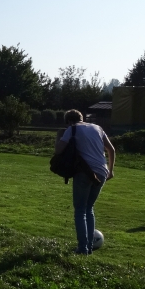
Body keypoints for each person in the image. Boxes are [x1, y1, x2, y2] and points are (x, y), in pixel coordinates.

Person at [54, 109, 116, 255]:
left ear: (69, 121)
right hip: (102, 171)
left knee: (80, 210)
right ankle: (89, 247)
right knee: (89, 208)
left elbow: (58, 151)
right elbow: (111, 150)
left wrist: (58, 136)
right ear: (82, 118)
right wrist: (111, 170)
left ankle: (83, 248)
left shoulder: (72, 129)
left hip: (84, 172)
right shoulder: (97, 128)